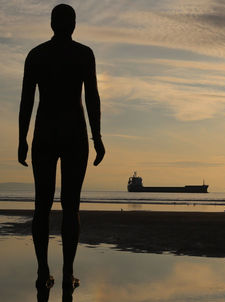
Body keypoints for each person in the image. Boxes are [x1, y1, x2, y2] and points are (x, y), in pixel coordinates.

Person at [18, 4, 105, 291]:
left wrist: (22, 138)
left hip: (44, 133)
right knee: (71, 206)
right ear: (73, 25)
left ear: (52, 24)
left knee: (41, 206)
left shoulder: (37, 55)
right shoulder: (83, 54)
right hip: (74, 134)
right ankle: (67, 273)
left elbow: (26, 102)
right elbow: (92, 97)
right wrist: (97, 137)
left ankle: (44, 271)